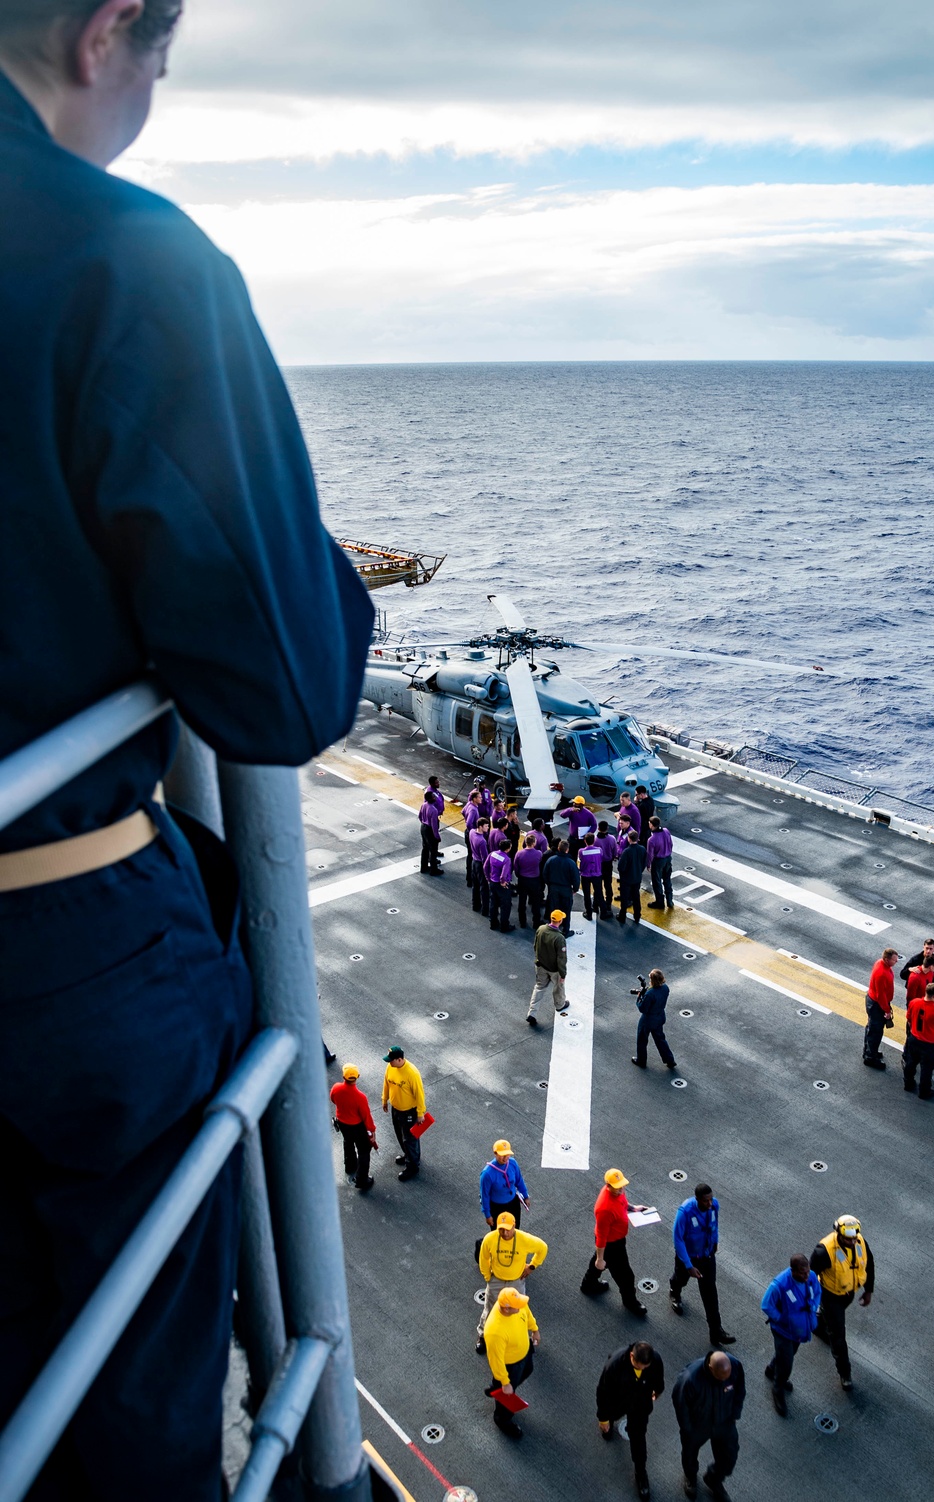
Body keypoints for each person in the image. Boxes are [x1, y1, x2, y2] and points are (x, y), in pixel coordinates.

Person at [0, 7, 373, 1498]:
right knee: (119, 1433)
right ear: (106, 34)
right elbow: (286, 691)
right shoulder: (125, 261)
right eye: (163, 53)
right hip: (56, 956)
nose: (154, 88)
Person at [810, 1214, 874, 1391]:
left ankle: (820, 1321)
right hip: (831, 1296)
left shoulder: (859, 1241)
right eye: (848, 1239)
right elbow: (810, 1276)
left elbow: (869, 1264)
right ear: (838, 1233)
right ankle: (845, 1373)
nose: (853, 1242)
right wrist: (810, 1298)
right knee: (838, 1336)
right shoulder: (824, 1250)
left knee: (830, 1321)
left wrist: (868, 1290)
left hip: (848, 1293)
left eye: (854, 1238)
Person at [596, 1341, 665, 1502]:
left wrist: (657, 1392)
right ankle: (610, 1423)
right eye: (638, 1366)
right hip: (618, 1401)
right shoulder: (614, 1365)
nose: (641, 1370)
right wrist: (603, 1418)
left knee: (639, 1438)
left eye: (644, 1368)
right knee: (611, 1415)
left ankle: (640, 1473)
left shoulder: (654, 1360)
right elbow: (603, 1392)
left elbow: (659, 1379)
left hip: (640, 1405)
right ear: (631, 1356)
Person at [672, 1352, 745, 1502]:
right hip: (698, 1425)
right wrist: (688, 1429)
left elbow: (740, 1390)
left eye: (727, 1377)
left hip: (724, 1421)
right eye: (721, 1378)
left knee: (730, 1455)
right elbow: (681, 1404)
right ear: (711, 1368)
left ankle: (713, 1478)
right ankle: (691, 1476)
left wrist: (734, 1415)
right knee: (689, 1453)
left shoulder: (734, 1365)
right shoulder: (690, 1379)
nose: (725, 1380)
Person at [669, 1184, 736, 1345]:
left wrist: (715, 1242)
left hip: (706, 1256)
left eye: (711, 1199)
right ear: (697, 1199)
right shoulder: (685, 1212)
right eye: (706, 1201)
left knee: (710, 1294)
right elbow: (678, 1239)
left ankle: (716, 1332)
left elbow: (714, 1225)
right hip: (688, 1258)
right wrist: (688, 1265)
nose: (710, 1203)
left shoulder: (714, 1206)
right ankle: (674, 1291)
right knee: (681, 1279)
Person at [476, 1212, 548, 1352]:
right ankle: (483, 1335)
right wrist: (487, 1277)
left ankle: (522, 1335)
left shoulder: (524, 1239)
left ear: (514, 1226)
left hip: (516, 1281)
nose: (505, 1232)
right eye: (501, 1229)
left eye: (508, 1229)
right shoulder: (490, 1239)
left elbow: (542, 1248)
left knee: (519, 1309)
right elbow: (483, 1258)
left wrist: (532, 1266)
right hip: (496, 1280)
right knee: (490, 1309)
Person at [580, 1168, 649, 1316]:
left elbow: (623, 1203)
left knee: (601, 1264)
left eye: (622, 1186)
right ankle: (630, 1301)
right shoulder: (604, 1209)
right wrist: (600, 1258)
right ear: (608, 1186)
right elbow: (601, 1236)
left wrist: (633, 1208)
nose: (621, 1190)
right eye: (617, 1187)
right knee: (626, 1276)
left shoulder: (617, 1192)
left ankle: (588, 1284)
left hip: (616, 1241)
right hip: (612, 1244)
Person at [760, 1253, 822, 1415]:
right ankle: (777, 1388)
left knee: (789, 1353)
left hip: (800, 1328)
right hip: (784, 1330)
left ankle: (772, 1368)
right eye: (802, 1273)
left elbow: (817, 1293)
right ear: (792, 1270)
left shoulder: (811, 1277)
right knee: (787, 1363)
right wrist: (782, 1319)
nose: (806, 1276)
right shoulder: (779, 1285)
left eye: (808, 1271)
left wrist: (814, 1306)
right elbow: (766, 1305)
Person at [483, 1287, 539, 1440]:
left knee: (528, 1370)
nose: (521, 1305)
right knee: (507, 1395)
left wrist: (534, 1329)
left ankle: (496, 1387)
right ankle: (502, 1419)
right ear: (506, 1308)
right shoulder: (495, 1331)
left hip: (524, 1353)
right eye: (517, 1305)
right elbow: (496, 1361)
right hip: (510, 1366)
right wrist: (506, 1382)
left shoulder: (516, 1305)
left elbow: (526, 1312)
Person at [902, 981, 934, 1098]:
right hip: (930, 1045)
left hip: (914, 1039)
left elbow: (909, 1018)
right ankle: (924, 1091)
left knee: (910, 1063)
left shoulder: (914, 1002)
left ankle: (908, 1083)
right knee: (927, 1070)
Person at [381, 1046, 426, 1181]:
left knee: (410, 1139)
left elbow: (419, 1094)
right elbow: (386, 1083)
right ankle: (408, 1155)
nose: (389, 1063)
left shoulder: (412, 1073)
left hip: (409, 1112)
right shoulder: (391, 1067)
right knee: (400, 1135)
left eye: (391, 1060)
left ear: (399, 1059)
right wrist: (385, 1099)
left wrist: (420, 1113)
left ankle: (412, 1166)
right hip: (396, 1109)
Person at [330, 1063, 377, 1192]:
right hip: (357, 1126)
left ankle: (350, 1166)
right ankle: (362, 1179)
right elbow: (366, 1116)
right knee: (363, 1150)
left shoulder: (336, 1088)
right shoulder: (360, 1097)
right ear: (358, 1076)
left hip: (343, 1123)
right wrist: (372, 1130)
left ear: (343, 1076)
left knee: (348, 1142)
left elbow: (333, 1099)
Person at [527, 911, 570, 1026]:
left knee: (539, 987)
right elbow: (561, 958)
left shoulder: (541, 929)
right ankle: (560, 1005)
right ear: (560, 921)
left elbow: (535, 946)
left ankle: (532, 1012)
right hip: (554, 969)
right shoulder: (559, 938)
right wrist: (563, 974)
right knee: (558, 987)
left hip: (541, 966)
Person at [633, 968, 677, 1070]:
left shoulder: (650, 994)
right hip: (659, 1017)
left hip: (648, 1020)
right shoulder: (665, 988)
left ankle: (641, 1060)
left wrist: (639, 998)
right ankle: (670, 1060)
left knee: (642, 1040)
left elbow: (642, 1008)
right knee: (660, 1039)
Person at [480, 1139, 530, 1228]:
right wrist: (488, 1215)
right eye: (502, 1155)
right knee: (499, 1232)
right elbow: (485, 1195)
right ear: (495, 1153)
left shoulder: (513, 1163)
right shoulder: (487, 1174)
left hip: (513, 1203)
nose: (505, 1157)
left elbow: (519, 1180)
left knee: (515, 1229)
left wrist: (526, 1196)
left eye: (507, 1154)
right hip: (497, 1207)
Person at [863, 947, 898, 1068]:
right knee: (876, 1031)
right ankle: (870, 1057)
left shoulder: (880, 964)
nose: (896, 961)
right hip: (877, 1004)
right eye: (894, 960)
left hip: (873, 1001)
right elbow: (881, 995)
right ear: (887, 960)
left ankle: (869, 1051)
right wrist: (887, 1011)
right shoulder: (882, 973)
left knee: (871, 1028)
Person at [545, 838, 580, 934]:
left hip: (553, 888)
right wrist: (575, 889)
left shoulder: (551, 860)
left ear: (558, 848)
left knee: (553, 909)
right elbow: (576, 878)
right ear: (567, 850)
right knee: (566, 910)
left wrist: (550, 884)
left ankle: (553, 927)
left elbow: (545, 874)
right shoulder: (571, 863)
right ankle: (566, 930)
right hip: (566, 889)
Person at [513, 832, 545, 929]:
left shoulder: (519, 853)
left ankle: (522, 921)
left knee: (522, 901)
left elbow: (516, 867)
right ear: (534, 843)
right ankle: (536, 921)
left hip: (523, 879)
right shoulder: (539, 854)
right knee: (536, 902)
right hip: (534, 880)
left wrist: (519, 876)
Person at [618, 829, 647, 926]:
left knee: (624, 898)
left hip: (626, 879)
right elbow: (644, 863)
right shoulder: (642, 849)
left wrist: (623, 874)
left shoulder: (627, 851)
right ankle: (637, 916)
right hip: (637, 877)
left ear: (629, 839)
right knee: (636, 897)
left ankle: (622, 916)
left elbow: (621, 867)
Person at [486, 839, 515, 932]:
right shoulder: (507, 859)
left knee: (493, 904)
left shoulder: (492, 854)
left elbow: (485, 866)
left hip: (493, 882)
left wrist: (488, 877)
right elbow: (503, 875)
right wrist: (503, 882)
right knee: (505, 906)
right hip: (502, 885)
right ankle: (504, 926)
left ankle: (493, 923)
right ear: (507, 849)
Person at [646, 817, 674, 910]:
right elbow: (671, 843)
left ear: (652, 825)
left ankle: (660, 902)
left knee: (657, 882)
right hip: (668, 858)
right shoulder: (666, 831)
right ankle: (670, 900)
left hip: (658, 861)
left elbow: (650, 854)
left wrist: (648, 864)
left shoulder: (651, 839)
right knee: (667, 879)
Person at [579, 831, 607, 920]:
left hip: (585, 875)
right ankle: (603, 912)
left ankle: (589, 913)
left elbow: (581, 860)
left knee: (587, 895)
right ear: (594, 840)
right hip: (597, 874)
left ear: (585, 841)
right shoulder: (599, 850)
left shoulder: (581, 851)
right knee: (599, 893)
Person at [596, 819, 618, 919]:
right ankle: (608, 903)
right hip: (608, 864)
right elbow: (615, 851)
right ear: (607, 828)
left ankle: (596, 904)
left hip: (598, 865)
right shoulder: (612, 838)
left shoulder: (595, 840)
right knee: (608, 885)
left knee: (598, 886)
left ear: (598, 828)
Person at [469, 816, 491, 916]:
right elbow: (485, 859)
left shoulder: (472, 832)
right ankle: (485, 909)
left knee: (475, 885)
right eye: (486, 826)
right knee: (484, 888)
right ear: (481, 827)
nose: (488, 828)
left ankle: (475, 905)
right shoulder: (482, 841)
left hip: (474, 862)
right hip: (480, 865)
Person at [418, 789, 442, 875]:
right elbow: (434, 826)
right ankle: (433, 869)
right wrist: (437, 836)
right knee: (433, 850)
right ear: (431, 798)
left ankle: (423, 867)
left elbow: (420, 816)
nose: (435, 797)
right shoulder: (434, 810)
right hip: (429, 830)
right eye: (433, 796)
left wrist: (424, 823)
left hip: (423, 827)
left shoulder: (423, 805)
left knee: (425, 848)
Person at [461, 788, 482, 885]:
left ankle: (469, 877)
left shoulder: (469, 804)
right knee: (472, 856)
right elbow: (469, 823)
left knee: (469, 855)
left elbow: (462, 811)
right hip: (471, 833)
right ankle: (471, 878)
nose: (481, 799)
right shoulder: (473, 809)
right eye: (479, 797)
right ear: (474, 798)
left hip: (468, 833)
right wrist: (473, 832)